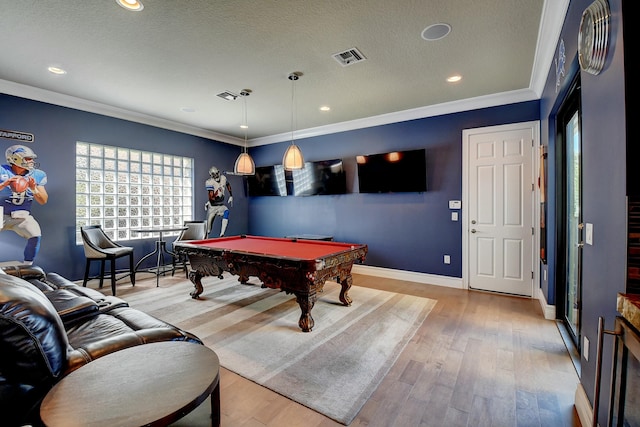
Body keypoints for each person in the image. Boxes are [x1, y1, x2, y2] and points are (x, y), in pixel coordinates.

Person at [0, 145, 49, 265]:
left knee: (35, 235)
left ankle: (27, 267)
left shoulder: (37, 174)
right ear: (15, 159)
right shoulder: (2, 171)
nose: (31, 161)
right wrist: (4, 184)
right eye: (28, 158)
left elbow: (43, 200)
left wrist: (34, 189)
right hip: (1, 212)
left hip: (21, 214)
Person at [205, 166, 233, 237]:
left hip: (220, 205)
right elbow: (211, 197)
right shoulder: (209, 182)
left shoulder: (223, 178)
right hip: (213, 206)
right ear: (211, 176)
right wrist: (216, 195)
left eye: (217, 173)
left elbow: (228, 185)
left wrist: (231, 195)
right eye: (214, 175)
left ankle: (222, 233)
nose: (216, 176)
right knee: (208, 230)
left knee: (226, 211)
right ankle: (205, 240)